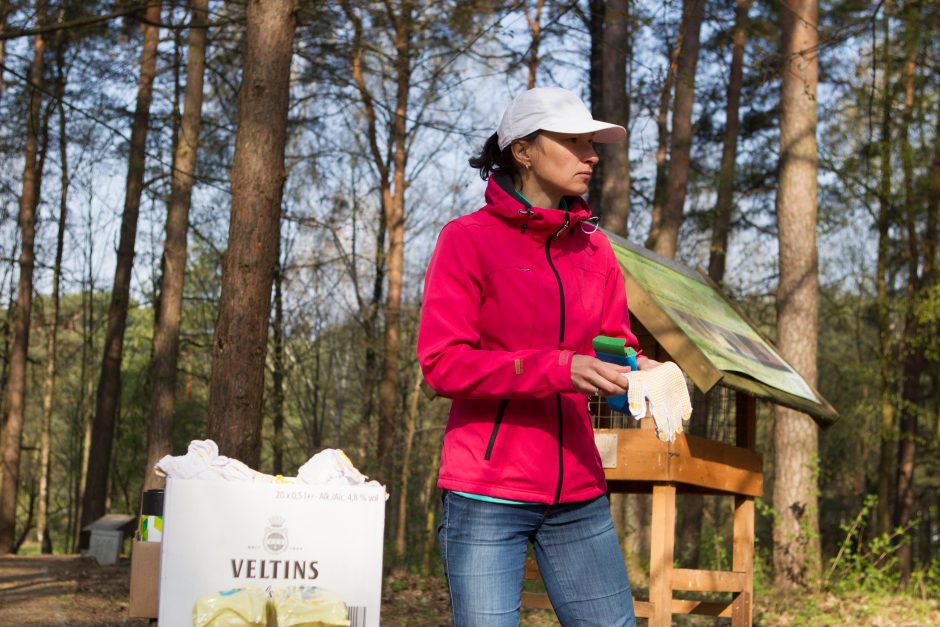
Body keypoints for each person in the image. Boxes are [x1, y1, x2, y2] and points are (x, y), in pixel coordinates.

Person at [417, 86, 656, 627]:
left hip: (579, 489)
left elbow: (614, 349)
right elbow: (442, 363)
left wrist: (642, 377)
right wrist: (558, 367)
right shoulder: (466, 240)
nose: (591, 155)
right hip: (486, 492)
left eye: (591, 143)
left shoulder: (596, 250)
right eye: (573, 141)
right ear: (522, 151)